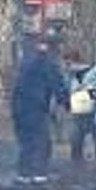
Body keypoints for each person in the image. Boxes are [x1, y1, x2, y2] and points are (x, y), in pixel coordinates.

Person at [11, 36, 68, 181]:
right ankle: (39, 177)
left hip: (18, 107)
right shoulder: (49, 63)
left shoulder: (27, 60)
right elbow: (59, 89)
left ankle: (24, 175)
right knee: (41, 142)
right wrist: (73, 104)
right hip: (35, 107)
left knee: (27, 142)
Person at [67, 57, 96, 161]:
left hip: (94, 114)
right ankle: (76, 164)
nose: (67, 67)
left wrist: (82, 96)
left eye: (69, 64)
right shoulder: (73, 77)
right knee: (76, 140)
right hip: (78, 113)